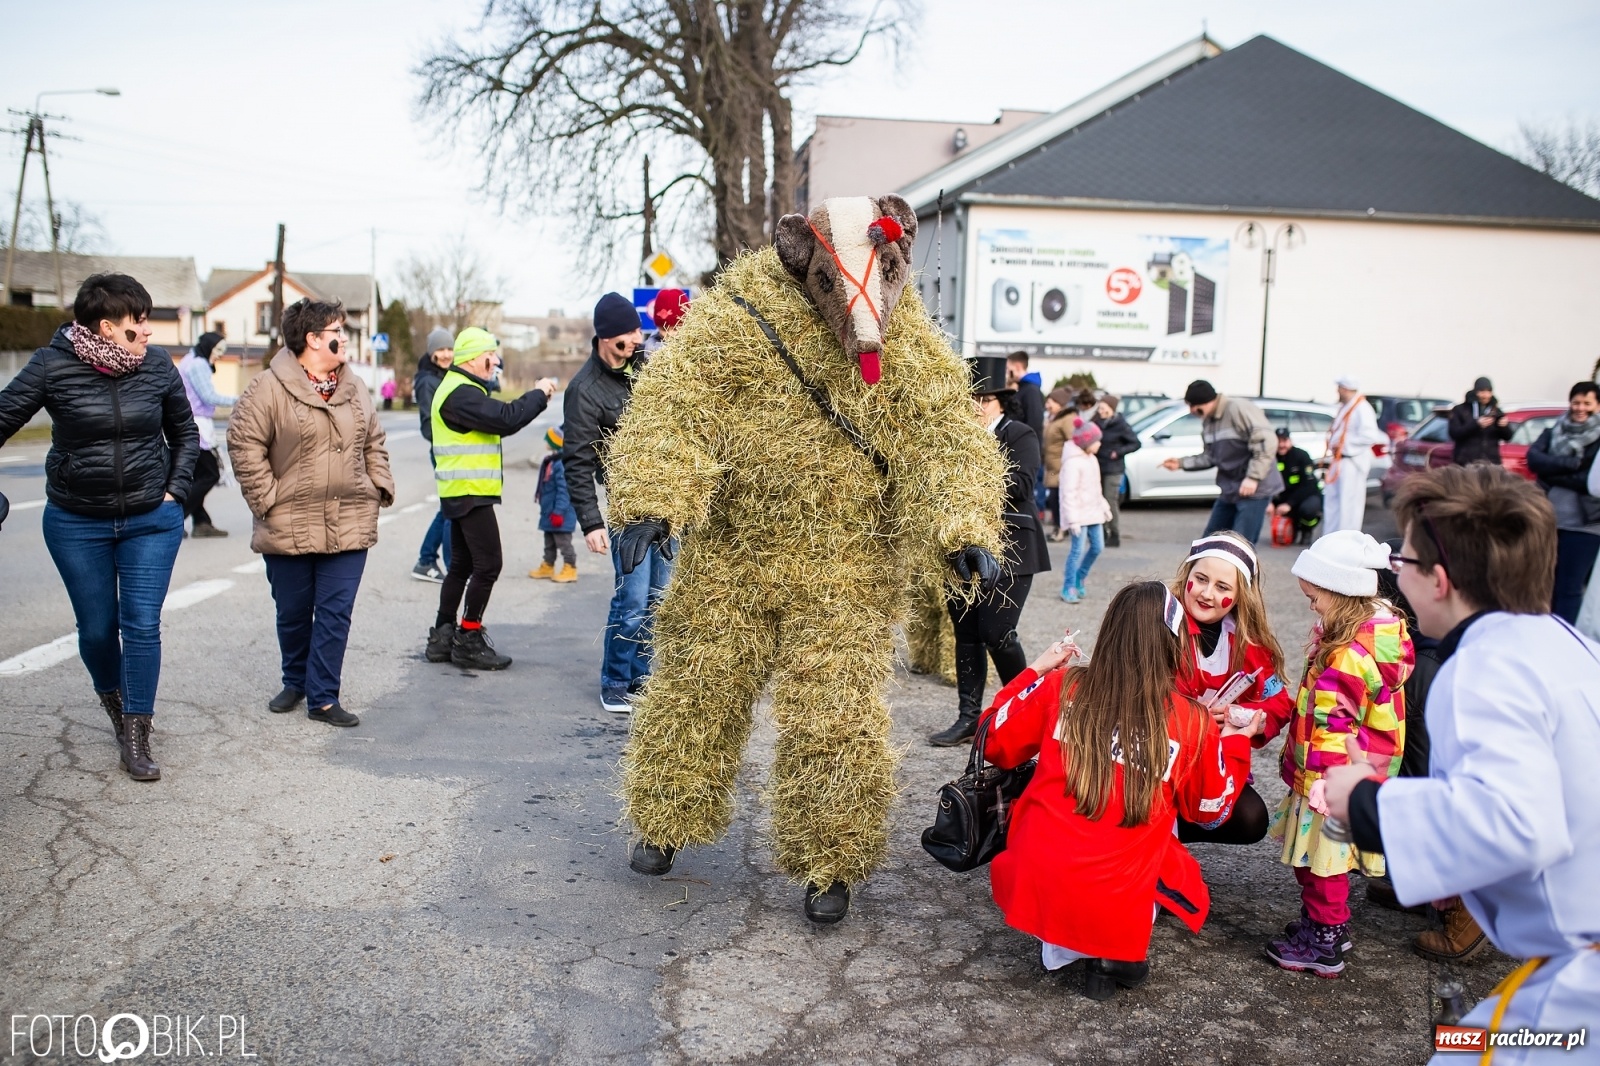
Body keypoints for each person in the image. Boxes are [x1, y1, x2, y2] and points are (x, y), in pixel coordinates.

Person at [1324, 464, 1600, 1058]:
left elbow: (1517, 824)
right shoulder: (1560, 640)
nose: (1396, 574)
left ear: (1438, 580)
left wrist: (1364, 801)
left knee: (1460, 1050)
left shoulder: (1483, 666)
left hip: (1582, 970)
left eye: (1403, 562)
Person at [979, 581, 1260, 1000]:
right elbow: (1210, 810)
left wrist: (1035, 669)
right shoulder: (1191, 720)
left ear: (1109, 630)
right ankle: (1111, 953)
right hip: (1117, 895)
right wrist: (1235, 741)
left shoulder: (1064, 687)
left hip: (1037, 875)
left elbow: (992, 739)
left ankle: (1080, 944)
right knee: (1160, 834)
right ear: (1174, 643)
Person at [0, 273, 199, 781]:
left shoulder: (156, 366)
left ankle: (137, 731)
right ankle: (112, 698)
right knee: (95, 630)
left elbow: (185, 434)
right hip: (75, 522)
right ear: (106, 328)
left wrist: (175, 492)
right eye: (138, 323)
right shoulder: (51, 365)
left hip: (150, 521)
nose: (149, 333)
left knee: (141, 625)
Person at [228, 298, 394, 727]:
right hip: (290, 521)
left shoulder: (355, 388)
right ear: (313, 339)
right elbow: (244, 443)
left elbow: (374, 440)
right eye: (337, 330)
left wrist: (378, 486)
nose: (343, 338)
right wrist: (268, 499)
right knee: (294, 611)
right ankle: (295, 680)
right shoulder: (267, 387)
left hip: (350, 516)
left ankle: (323, 697)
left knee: (335, 610)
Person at [1261, 529, 1412, 977]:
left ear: (1343, 593)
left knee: (1322, 863)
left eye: (1315, 596)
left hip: (1330, 780)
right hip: (1353, 773)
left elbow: (1332, 723)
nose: (1310, 603)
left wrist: (1319, 783)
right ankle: (1325, 924)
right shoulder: (1374, 640)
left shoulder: (1347, 656)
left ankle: (1325, 940)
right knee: (1324, 860)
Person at [928, 356, 1050, 746]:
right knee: (966, 633)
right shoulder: (953, 439)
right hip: (961, 546)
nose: (977, 405)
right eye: (971, 398)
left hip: (1013, 545)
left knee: (997, 632)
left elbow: (1022, 485)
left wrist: (970, 476)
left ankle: (1027, 710)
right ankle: (968, 718)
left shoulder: (1019, 434)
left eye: (985, 398)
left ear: (1000, 401)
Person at [423, 328, 557, 670]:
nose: (495, 361)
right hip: (469, 492)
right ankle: (468, 638)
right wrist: (539, 394)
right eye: (490, 355)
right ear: (473, 359)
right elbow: (506, 418)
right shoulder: (461, 393)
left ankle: (442, 635)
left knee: (462, 566)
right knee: (489, 565)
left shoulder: (459, 389)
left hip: (462, 491)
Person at [564, 292, 669, 714]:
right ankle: (615, 680)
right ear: (609, 338)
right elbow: (577, 461)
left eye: (639, 331)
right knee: (632, 598)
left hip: (666, 504)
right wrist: (591, 523)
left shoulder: (648, 370)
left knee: (659, 598)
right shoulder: (584, 391)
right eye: (630, 334)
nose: (638, 339)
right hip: (629, 509)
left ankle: (643, 678)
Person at [1169, 532, 1292, 846]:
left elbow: (1279, 703)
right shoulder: (1158, 623)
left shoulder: (1249, 643)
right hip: (1155, 756)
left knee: (1250, 819)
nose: (1207, 594)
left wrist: (1242, 716)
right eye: (1201, 579)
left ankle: (1170, 831)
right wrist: (1192, 717)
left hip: (1207, 759)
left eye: (1222, 587)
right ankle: (1149, 837)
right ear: (1187, 576)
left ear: (1240, 596)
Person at [1161, 380, 1283, 543]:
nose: (1191, 411)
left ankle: (1240, 569)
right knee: (1209, 540)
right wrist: (1181, 463)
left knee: (1241, 544)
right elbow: (1211, 457)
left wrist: (1253, 477)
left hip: (1254, 489)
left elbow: (1265, 443)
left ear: (1206, 400)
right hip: (1230, 489)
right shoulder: (1208, 421)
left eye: (1193, 405)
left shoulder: (1238, 409)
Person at [1526, 381, 1600, 623]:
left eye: (1586, 403)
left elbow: (1588, 480)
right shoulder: (1554, 430)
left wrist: (1551, 470)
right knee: (1544, 583)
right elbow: (1534, 459)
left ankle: (1565, 635)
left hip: (1585, 526)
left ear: (1597, 405)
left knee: (1569, 586)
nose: (1580, 408)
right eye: (1576, 402)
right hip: (1549, 520)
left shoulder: (1597, 439)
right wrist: (1569, 465)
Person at [176, 331, 237, 538]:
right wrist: (240, 399)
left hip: (188, 423)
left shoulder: (190, 359)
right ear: (209, 347)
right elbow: (208, 396)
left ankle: (202, 521)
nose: (220, 354)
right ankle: (176, 518)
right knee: (210, 473)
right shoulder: (198, 364)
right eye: (218, 350)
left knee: (198, 475)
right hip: (196, 425)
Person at [411, 327, 455, 583]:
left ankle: (427, 559)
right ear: (431, 352)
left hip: (449, 449)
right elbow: (429, 422)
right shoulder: (428, 380)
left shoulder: (442, 375)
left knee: (448, 507)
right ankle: (441, 564)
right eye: (441, 349)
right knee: (451, 508)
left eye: (449, 349)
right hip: (442, 450)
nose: (446, 354)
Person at [1320, 374, 1384, 536]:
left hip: (1352, 462)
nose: (1337, 391)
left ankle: (1345, 540)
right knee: (1333, 502)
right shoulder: (1346, 406)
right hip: (1339, 461)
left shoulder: (1362, 408)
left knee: (1349, 505)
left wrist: (1345, 445)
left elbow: (1370, 436)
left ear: (1345, 388)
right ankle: (1330, 538)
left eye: (1340, 388)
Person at [1058, 417, 1110, 603]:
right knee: (1076, 550)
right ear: (1087, 442)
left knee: (1098, 547)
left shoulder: (1092, 460)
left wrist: (1104, 506)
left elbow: (1096, 488)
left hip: (1094, 512)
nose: (1099, 444)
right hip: (1079, 516)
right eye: (1096, 441)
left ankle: (1080, 576)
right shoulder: (1072, 464)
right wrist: (1072, 519)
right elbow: (1068, 493)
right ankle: (1068, 585)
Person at [530, 426, 579, 583]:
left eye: (548, 440)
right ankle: (548, 565)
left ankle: (570, 567)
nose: (545, 442)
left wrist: (559, 512)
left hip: (560, 514)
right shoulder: (552, 460)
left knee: (564, 543)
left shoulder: (561, 465)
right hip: (549, 512)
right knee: (549, 542)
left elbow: (564, 491)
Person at [1091, 393, 1140, 548]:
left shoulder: (1121, 424)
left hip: (1114, 468)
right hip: (1097, 466)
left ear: (1111, 409)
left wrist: (1118, 452)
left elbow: (1135, 443)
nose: (1101, 411)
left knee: (1110, 500)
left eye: (1104, 408)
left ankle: (1114, 533)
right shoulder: (1096, 422)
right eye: (1099, 408)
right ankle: (1102, 532)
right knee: (1098, 500)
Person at [1271, 427, 1322, 545]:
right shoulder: (1271, 457)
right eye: (1278, 441)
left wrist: (1289, 504)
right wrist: (1270, 502)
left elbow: (1309, 484)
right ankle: (1293, 528)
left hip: (1305, 495)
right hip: (1285, 498)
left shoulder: (1301, 455)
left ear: (1290, 441)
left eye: (1284, 441)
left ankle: (1306, 530)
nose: (1281, 445)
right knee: (1286, 539)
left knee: (1308, 510)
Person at [1446, 375, 1511, 466]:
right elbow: (1454, 433)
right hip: (1466, 463)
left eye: (1489, 391)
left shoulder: (1496, 410)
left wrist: (1504, 426)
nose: (1485, 395)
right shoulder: (1460, 410)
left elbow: (1507, 437)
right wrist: (1476, 424)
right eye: (1482, 391)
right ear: (1475, 391)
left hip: (1491, 463)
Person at [1040, 387, 1074, 541]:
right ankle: (1058, 528)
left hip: (1061, 467)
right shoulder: (1054, 418)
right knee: (1054, 500)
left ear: (1060, 403)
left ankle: (1061, 529)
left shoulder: (1068, 419)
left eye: (1051, 401)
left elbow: (1072, 441)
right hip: (1052, 466)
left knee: (1058, 499)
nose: (1048, 404)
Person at [1005, 351, 1045, 443]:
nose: (1007, 373)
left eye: (1008, 368)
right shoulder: (1023, 388)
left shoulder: (1031, 390)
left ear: (1018, 366)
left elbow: (1034, 423)